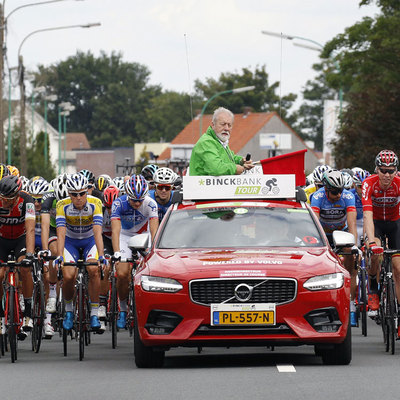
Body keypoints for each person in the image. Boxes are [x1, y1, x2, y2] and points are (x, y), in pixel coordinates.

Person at [55, 173, 106, 331]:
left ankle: (94, 313)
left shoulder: (95, 202)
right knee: (68, 275)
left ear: (87, 192)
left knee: (93, 269)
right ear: (69, 194)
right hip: (70, 241)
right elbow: (61, 233)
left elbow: (98, 232)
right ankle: (69, 311)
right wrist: (59, 256)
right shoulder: (61, 205)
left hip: (90, 239)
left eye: (82, 193)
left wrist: (102, 255)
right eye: (74, 194)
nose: (78, 197)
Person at [311, 169, 358, 326]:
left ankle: (351, 306)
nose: (338, 195)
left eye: (340, 191)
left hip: (341, 231)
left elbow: (352, 224)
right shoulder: (317, 197)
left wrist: (354, 246)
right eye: (334, 192)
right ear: (325, 189)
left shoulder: (348, 196)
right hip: (324, 233)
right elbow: (314, 224)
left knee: (350, 259)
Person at [111, 175, 158, 329]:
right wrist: (117, 252)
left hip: (142, 235)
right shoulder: (118, 203)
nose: (137, 203)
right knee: (123, 273)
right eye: (133, 200)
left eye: (140, 200)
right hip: (124, 235)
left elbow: (154, 231)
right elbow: (115, 231)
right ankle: (123, 309)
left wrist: (153, 250)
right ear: (127, 195)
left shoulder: (150, 204)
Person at [362, 150, 400, 318]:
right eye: (383, 170)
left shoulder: (398, 183)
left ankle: (398, 311)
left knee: (398, 269)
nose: (387, 175)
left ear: (396, 171)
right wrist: (371, 243)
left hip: (394, 223)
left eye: (390, 170)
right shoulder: (368, 184)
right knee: (375, 252)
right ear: (376, 170)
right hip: (375, 223)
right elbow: (367, 216)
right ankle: (373, 287)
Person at [0, 175, 36, 338]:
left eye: (8, 199)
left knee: (25, 268)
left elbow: (30, 229)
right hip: (2, 239)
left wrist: (29, 254)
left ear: (16, 195)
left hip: (21, 239)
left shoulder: (27, 200)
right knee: (0, 274)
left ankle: (28, 312)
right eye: (2, 198)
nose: (5, 202)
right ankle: (1, 316)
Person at [189, 107, 254, 176]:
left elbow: (229, 159)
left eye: (229, 125)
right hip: (202, 186)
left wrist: (241, 161)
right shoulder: (206, 142)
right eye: (223, 124)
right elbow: (216, 168)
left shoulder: (220, 140)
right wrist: (235, 168)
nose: (226, 128)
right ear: (213, 124)